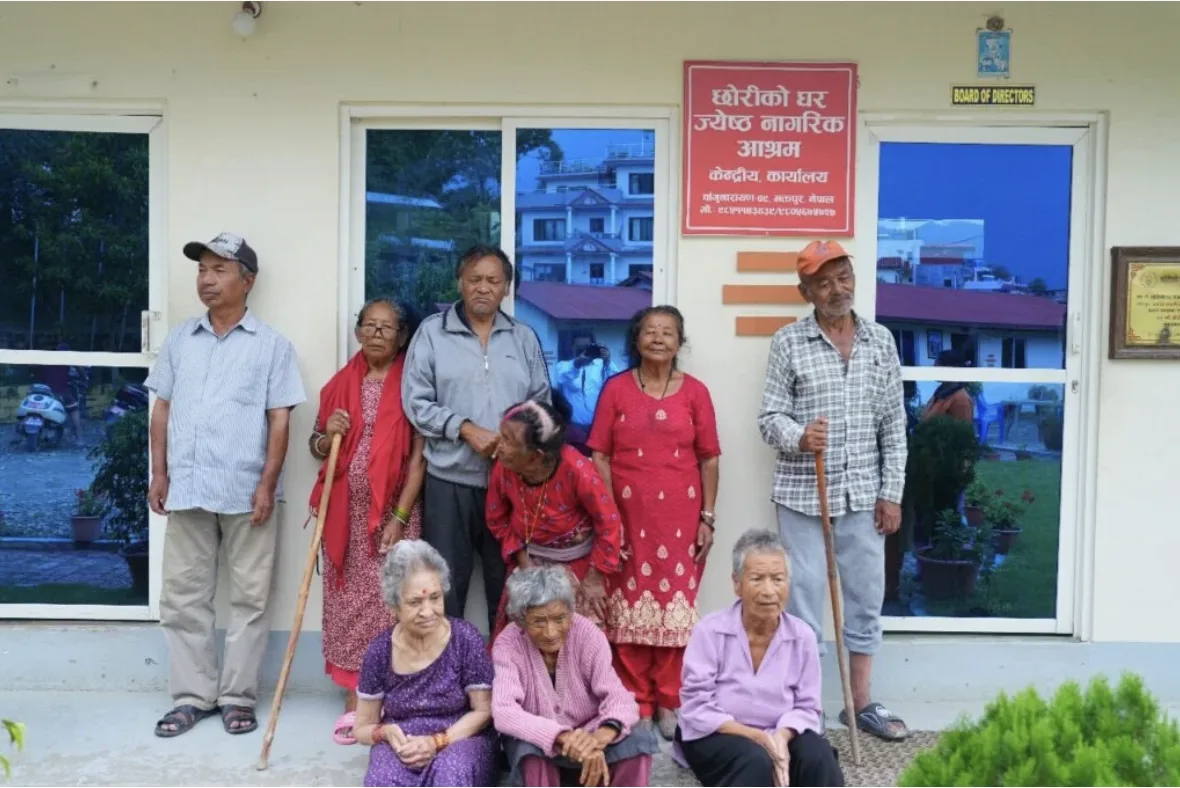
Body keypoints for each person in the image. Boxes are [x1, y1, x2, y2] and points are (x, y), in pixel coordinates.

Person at [147, 232, 307, 737]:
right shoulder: (180, 339)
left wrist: (267, 484)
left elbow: (280, 420)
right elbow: (162, 409)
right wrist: (159, 472)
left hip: (246, 490)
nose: (207, 279)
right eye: (202, 270)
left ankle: (238, 697)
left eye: (219, 269)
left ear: (247, 281)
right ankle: (191, 696)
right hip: (188, 486)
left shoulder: (272, 346)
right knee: (182, 596)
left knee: (250, 599)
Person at [756, 239, 910, 742]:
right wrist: (800, 436)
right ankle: (807, 709)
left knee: (865, 596)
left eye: (843, 277)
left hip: (864, 494)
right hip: (803, 494)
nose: (836, 289)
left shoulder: (881, 340)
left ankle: (859, 703)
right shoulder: (788, 342)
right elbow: (769, 417)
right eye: (823, 283)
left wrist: (892, 492)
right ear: (806, 292)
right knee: (801, 602)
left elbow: (894, 424)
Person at [588, 305, 721, 740]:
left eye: (667, 332)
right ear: (636, 339)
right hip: (626, 519)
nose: (659, 338)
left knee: (674, 610)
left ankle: (668, 700)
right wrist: (610, 520)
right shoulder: (616, 390)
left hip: (681, 523)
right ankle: (636, 702)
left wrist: (708, 518)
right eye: (650, 331)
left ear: (679, 342)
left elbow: (709, 458)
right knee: (626, 609)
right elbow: (600, 456)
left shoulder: (696, 393)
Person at [402, 244, 551, 631]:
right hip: (449, 482)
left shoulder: (523, 337)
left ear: (506, 288)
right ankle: (447, 667)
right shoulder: (432, 333)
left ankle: (508, 667)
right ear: (460, 283)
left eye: (493, 281)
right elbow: (416, 403)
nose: (483, 288)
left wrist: (519, 442)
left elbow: (541, 404)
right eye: (475, 279)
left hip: (512, 483)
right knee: (443, 587)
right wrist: (464, 428)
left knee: (512, 588)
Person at [308, 297, 427, 745]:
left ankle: (391, 693)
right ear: (358, 332)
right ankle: (354, 696)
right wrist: (328, 437)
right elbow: (316, 445)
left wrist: (399, 516)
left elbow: (419, 459)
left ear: (402, 337)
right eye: (369, 326)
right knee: (346, 603)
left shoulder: (413, 385)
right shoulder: (340, 385)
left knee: (390, 602)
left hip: (396, 514)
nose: (376, 333)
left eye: (387, 327)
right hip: (346, 516)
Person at [675, 529, 844, 787]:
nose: (768, 591)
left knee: (818, 757)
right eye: (757, 579)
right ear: (737, 583)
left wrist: (781, 737)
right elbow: (696, 706)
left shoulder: (802, 636)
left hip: (780, 732)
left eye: (778, 579)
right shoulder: (709, 631)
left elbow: (808, 707)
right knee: (755, 761)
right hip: (719, 732)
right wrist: (758, 737)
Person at [492, 566, 660, 787]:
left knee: (637, 740)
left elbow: (619, 699)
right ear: (521, 620)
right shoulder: (508, 644)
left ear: (571, 613)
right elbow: (504, 712)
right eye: (538, 621)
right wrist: (561, 736)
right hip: (542, 739)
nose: (551, 632)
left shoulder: (588, 635)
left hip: (590, 733)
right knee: (527, 749)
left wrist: (599, 737)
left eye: (559, 618)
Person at [352, 540, 498, 787]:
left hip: (459, 737)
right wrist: (385, 732)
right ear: (393, 606)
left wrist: (437, 741)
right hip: (403, 744)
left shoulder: (465, 639)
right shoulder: (380, 651)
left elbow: (483, 711)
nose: (428, 611)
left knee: (451, 776)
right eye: (415, 602)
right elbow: (362, 728)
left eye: (435, 598)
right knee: (382, 781)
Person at [485, 399, 624, 640]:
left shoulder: (577, 470)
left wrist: (594, 579)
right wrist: (524, 564)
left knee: (575, 638)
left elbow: (609, 522)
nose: (500, 446)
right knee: (524, 633)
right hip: (529, 560)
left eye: (509, 441)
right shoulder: (505, 466)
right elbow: (496, 518)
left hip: (578, 565)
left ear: (536, 456)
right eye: (501, 435)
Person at [553, 333, 621, 453]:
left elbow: (617, 383)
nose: (583, 351)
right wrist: (577, 363)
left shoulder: (602, 366)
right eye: (579, 347)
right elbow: (561, 377)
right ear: (572, 348)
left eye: (586, 347)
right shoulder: (563, 366)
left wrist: (607, 361)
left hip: (599, 428)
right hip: (574, 430)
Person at [922, 349, 974, 423]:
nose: (933, 369)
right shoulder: (940, 391)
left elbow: (962, 428)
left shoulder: (961, 399)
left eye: (936, 367)